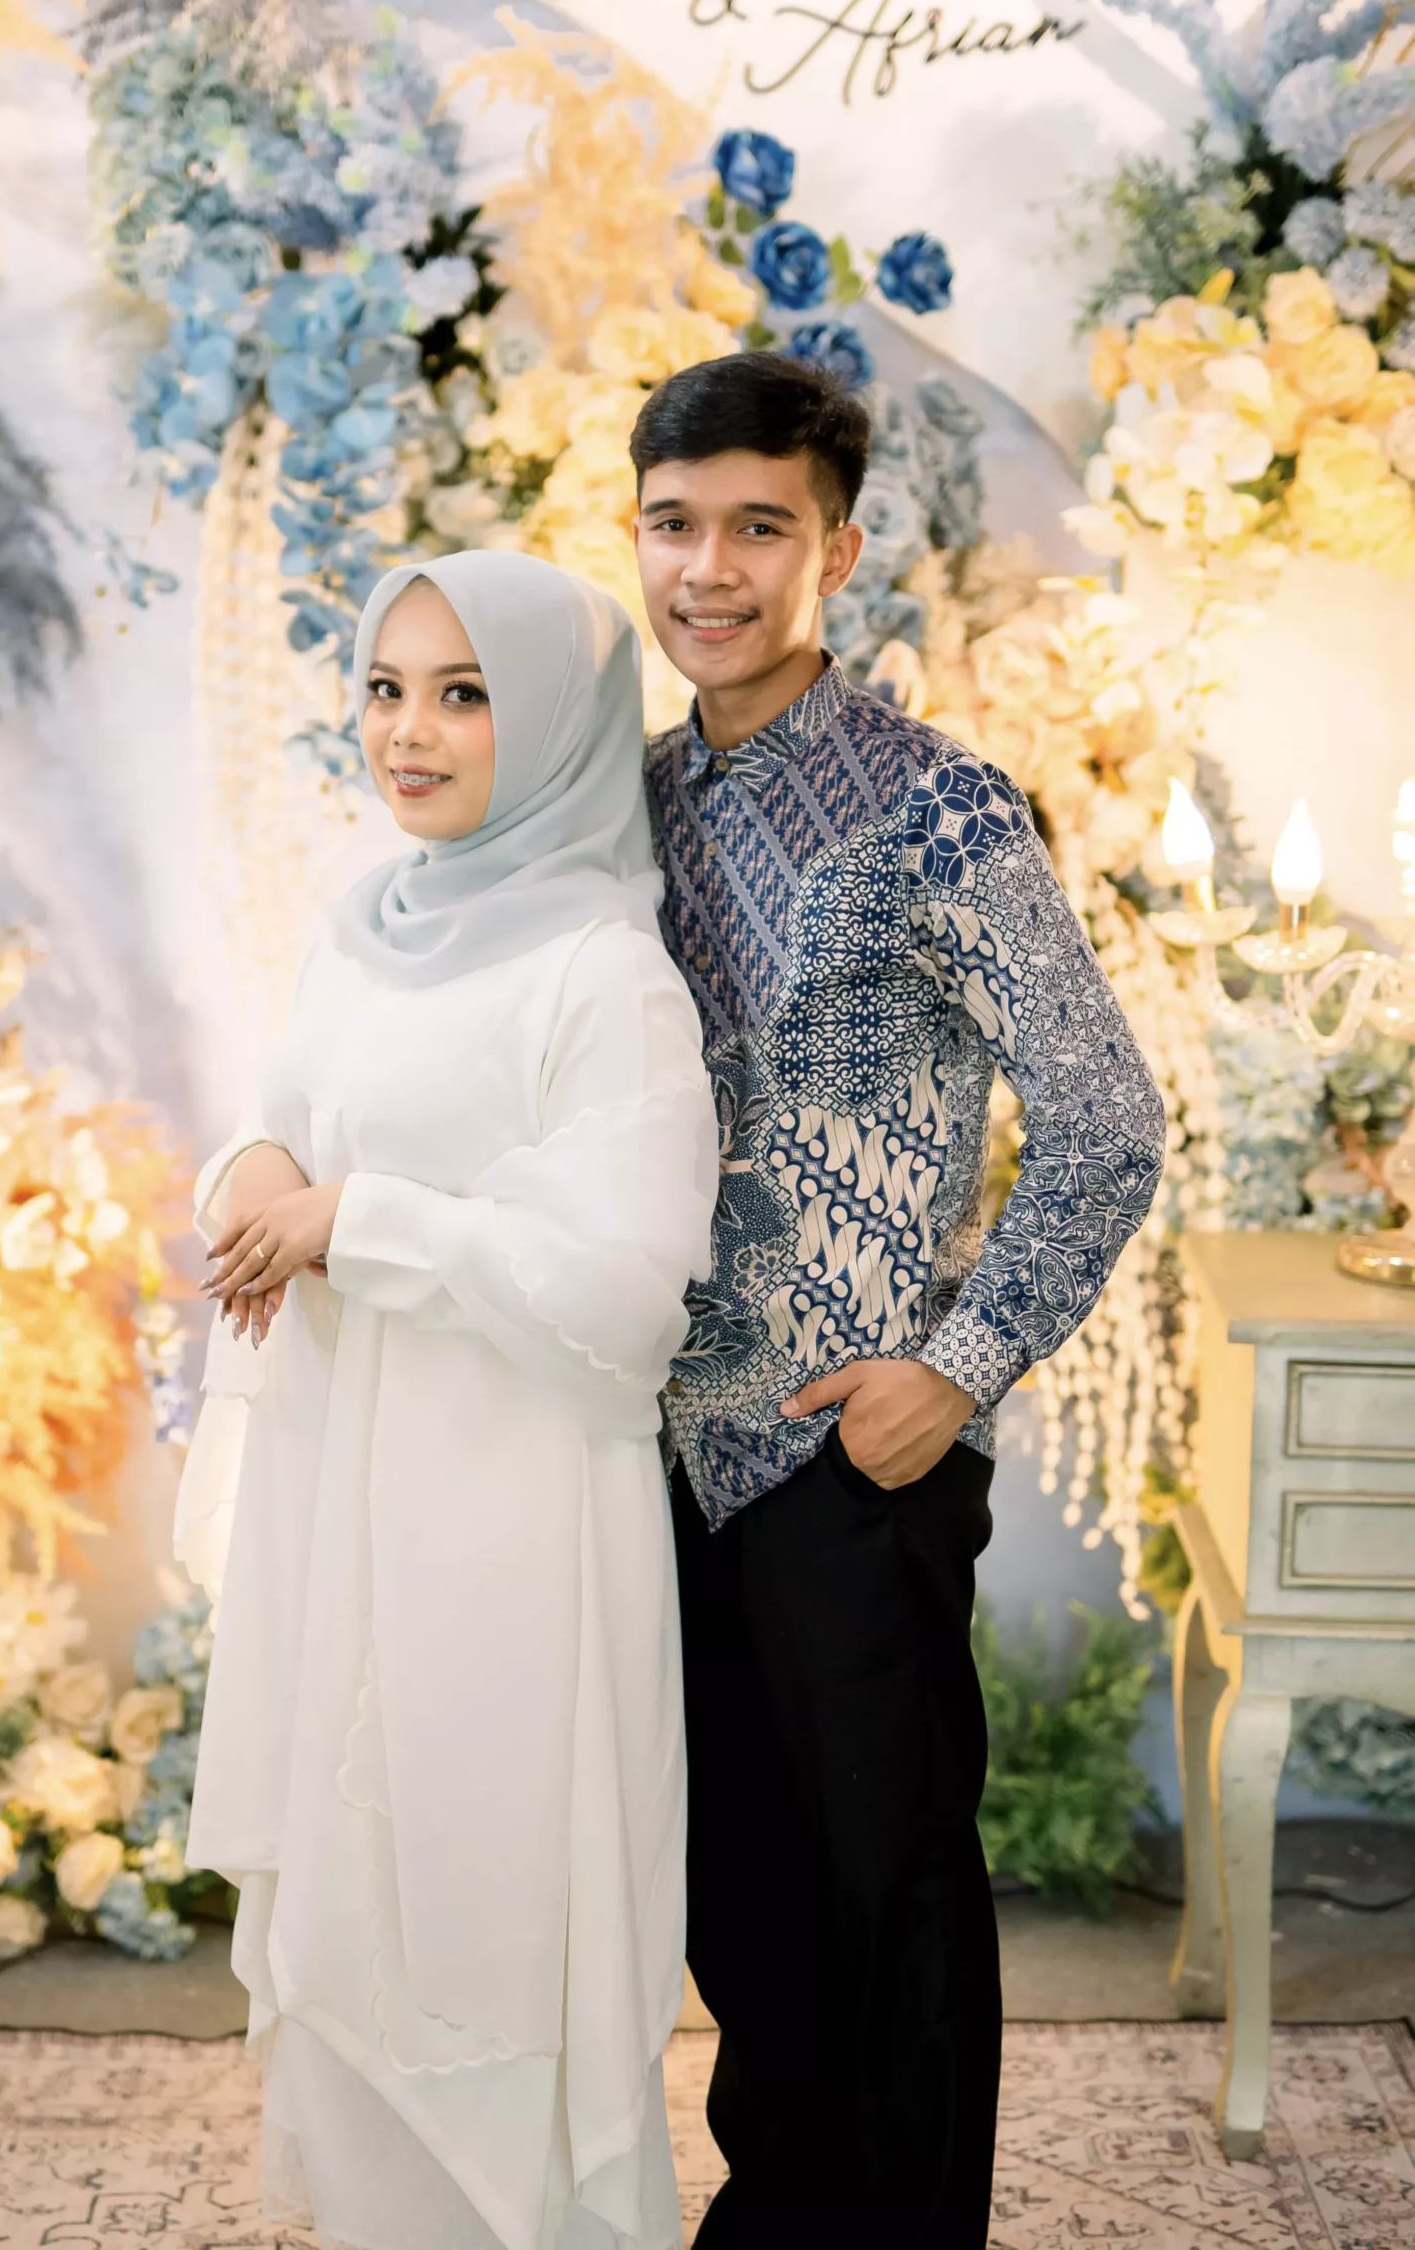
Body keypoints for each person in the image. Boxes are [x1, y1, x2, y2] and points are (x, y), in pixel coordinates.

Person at [630, 352, 1167, 2247]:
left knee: (892, 1916)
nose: (710, 568)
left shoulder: (940, 809)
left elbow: (1105, 1116)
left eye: (756, 527)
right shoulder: (625, 806)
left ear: (834, 552)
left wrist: (951, 1368)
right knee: (738, 1910)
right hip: (656, 1454)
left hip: (851, 1462)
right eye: (674, 525)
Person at [174, 550, 718, 2250]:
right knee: (357, 1905)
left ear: (553, 725)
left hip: (507, 1517)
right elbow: (282, 1120)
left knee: (486, 1897)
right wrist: (254, 1170)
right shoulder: (368, 927)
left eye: (463, 695)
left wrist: (359, 1221)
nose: (407, 732)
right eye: (386, 688)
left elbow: (622, 1286)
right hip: (346, 1485)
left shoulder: (603, 975)